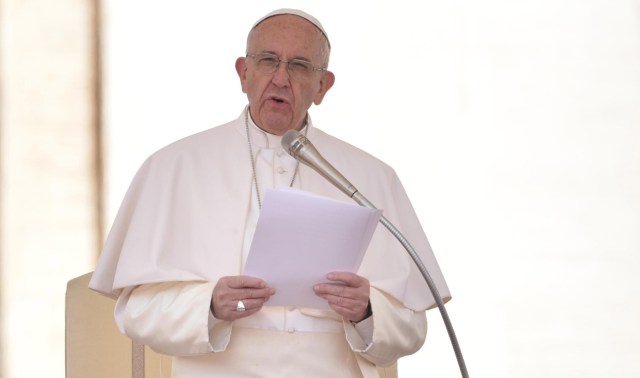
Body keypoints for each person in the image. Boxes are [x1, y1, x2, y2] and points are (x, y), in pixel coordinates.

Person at [90, 8, 451, 378]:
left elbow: (412, 327)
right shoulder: (173, 166)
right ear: (243, 74)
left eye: (298, 66)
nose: (280, 78)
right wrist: (210, 304)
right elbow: (135, 312)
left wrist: (367, 311)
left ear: (323, 86)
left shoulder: (370, 177)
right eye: (267, 61)